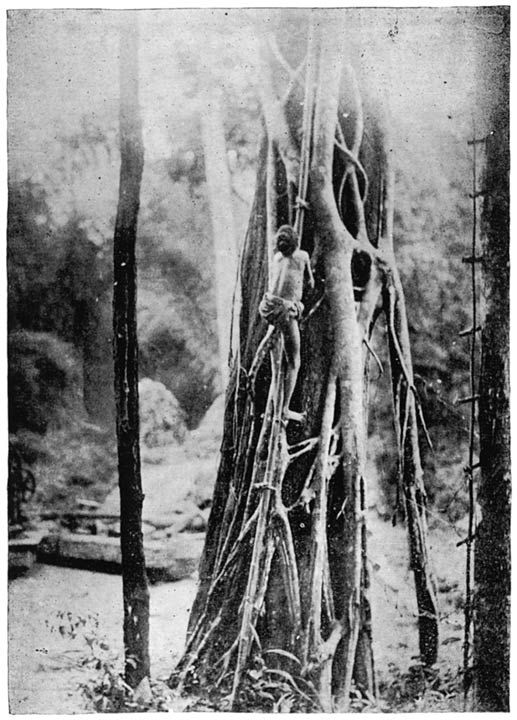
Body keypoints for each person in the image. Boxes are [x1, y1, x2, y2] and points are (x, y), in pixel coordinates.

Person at [259, 225, 315, 423]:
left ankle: (273, 407)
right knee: (294, 362)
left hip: (268, 307)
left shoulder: (277, 258)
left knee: (277, 366)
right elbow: (311, 283)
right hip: (284, 312)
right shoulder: (303, 257)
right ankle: (283, 410)